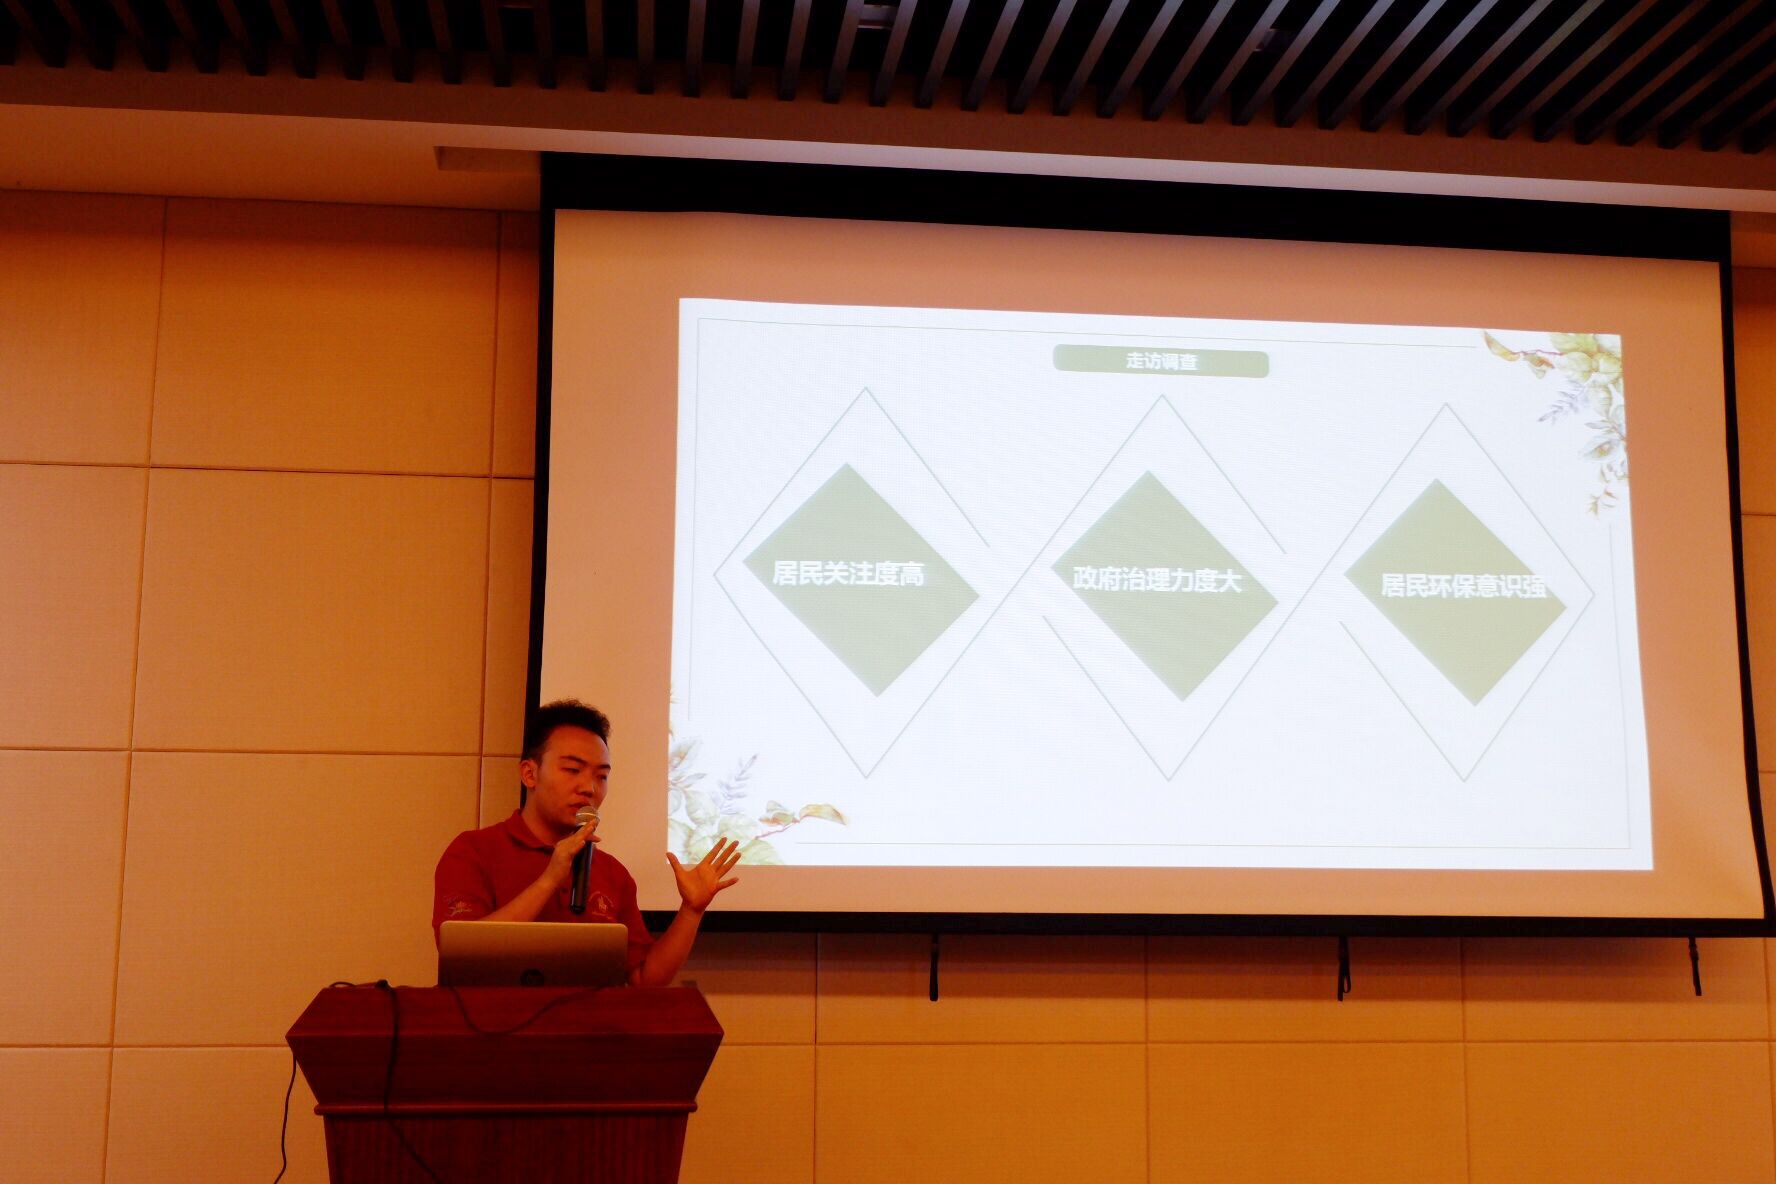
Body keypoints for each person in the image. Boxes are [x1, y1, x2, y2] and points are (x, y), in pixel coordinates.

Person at [432, 699, 742, 986]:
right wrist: (549, 879)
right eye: (572, 770)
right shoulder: (473, 852)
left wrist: (691, 911)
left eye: (601, 776)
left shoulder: (612, 874)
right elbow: (465, 957)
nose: (589, 787)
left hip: (591, 1027)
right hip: (493, 1026)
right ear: (529, 774)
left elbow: (644, 980)